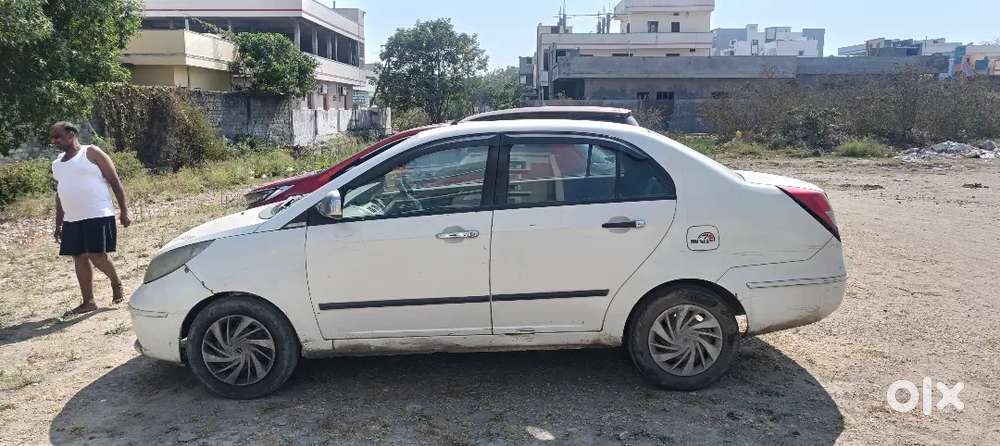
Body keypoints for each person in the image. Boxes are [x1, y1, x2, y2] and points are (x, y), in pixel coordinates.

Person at [50, 122, 131, 315]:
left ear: (71, 135)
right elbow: (60, 194)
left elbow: (115, 181)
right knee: (79, 257)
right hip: (72, 219)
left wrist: (124, 211)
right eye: (53, 137)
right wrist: (58, 223)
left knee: (97, 256)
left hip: (97, 213)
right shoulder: (57, 164)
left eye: (58, 136)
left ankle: (116, 282)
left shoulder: (91, 153)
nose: (54, 141)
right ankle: (89, 301)